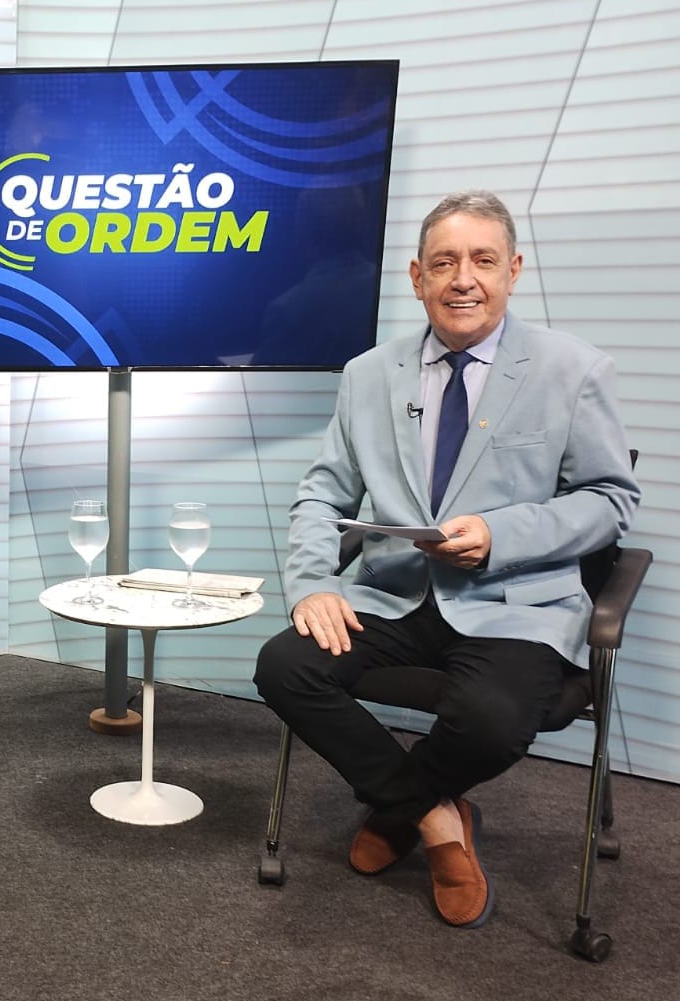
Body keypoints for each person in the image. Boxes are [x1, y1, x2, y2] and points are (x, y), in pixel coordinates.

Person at [253, 190, 640, 929]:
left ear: (512, 269)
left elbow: (609, 499)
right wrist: (310, 586)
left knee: (492, 722)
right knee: (284, 665)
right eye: (443, 262)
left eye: (482, 260)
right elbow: (320, 494)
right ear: (416, 276)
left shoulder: (574, 369)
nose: (463, 278)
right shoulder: (368, 374)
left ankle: (397, 810)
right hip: (393, 594)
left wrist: (505, 533)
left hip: (513, 601)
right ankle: (435, 816)